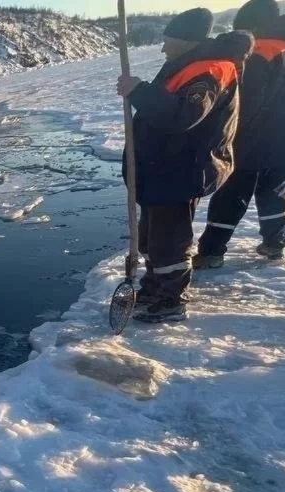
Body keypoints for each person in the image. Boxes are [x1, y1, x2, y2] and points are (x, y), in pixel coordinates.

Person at [117, 9, 253, 323]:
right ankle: (155, 287)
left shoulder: (209, 72)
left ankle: (170, 300)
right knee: (151, 237)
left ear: (186, 41)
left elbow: (182, 116)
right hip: (163, 167)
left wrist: (139, 91)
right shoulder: (190, 65)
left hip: (180, 170)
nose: (163, 48)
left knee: (169, 241)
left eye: (168, 41)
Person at [193, 0, 285, 266]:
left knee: (232, 191)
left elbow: (247, 99)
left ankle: (211, 252)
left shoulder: (262, 51)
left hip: (258, 135)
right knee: (273, 188)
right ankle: (275, 244)